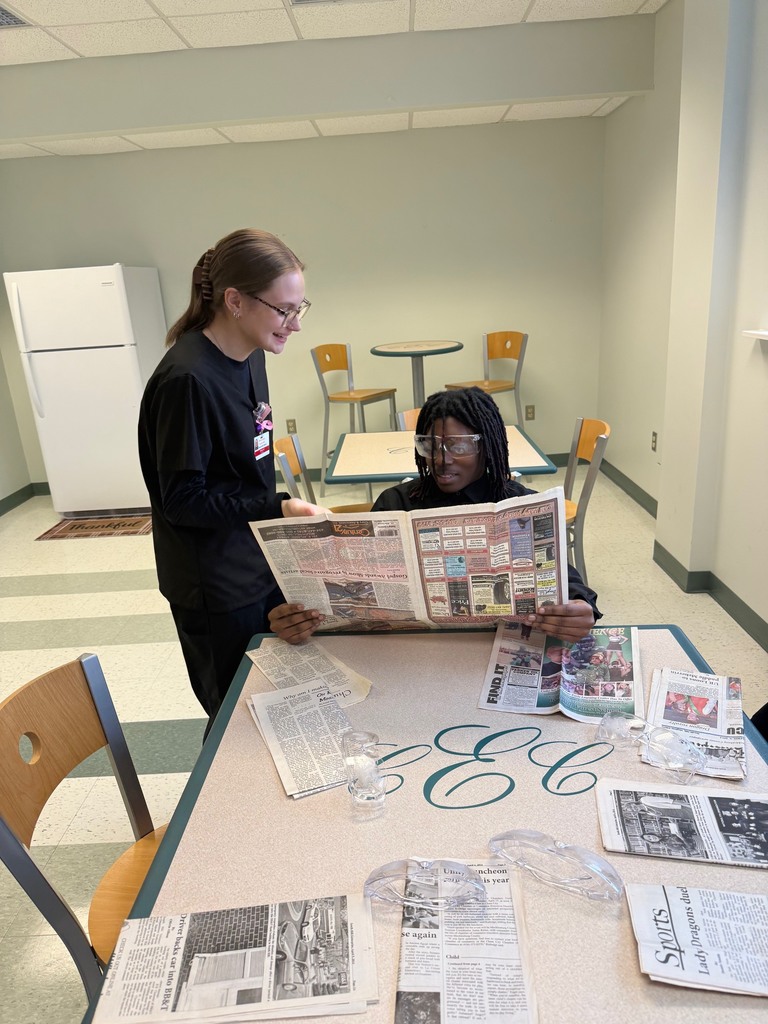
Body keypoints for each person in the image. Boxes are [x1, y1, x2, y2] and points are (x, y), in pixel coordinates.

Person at [138, 228, 321, 728]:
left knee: (278, 694)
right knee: (235, 718)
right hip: (213, 583)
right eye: (283, 310)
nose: (294, 324)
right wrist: (276, 508)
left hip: (255, 557)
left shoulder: (251, 354)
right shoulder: (187, 380)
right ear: (235, 301)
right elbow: (183, 501)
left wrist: (277, 515)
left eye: (300, 309)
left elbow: (243, 468)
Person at [270, 386, 601, 643]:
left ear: (486, 446)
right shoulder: (396, 502)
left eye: (459, 446)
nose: (442, 460)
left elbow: (564, 578)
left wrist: (580, 606)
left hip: (492, 645)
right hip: (411, 649)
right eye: (430, 446)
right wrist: (297, 617)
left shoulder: (519, 503)